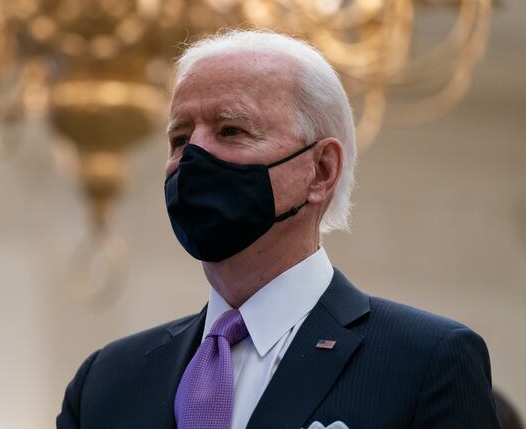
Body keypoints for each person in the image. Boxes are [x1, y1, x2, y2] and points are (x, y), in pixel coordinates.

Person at [56, 30, 499, 429]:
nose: (193, 157)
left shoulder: (424, 362)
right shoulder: (106, 383)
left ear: (321, 171)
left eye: (231, 130)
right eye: (179, 139)